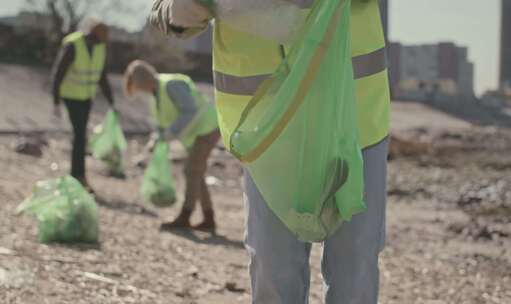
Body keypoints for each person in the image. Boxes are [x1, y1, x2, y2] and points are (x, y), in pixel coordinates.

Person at [150, 0, 390, 303]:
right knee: (273, 266)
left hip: (354, 116)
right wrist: (181, 9)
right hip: (266, 131)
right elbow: (163, 11)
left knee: (354, 264)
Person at [124, 60, 221, 232]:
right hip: (196, 133)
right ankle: (208, 218)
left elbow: (190, 110)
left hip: (207, 127)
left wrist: (170, 133)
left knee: (191, 170)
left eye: (138, 88)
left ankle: (186, 215)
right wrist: (155, 139)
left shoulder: (170, 85)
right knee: (196, 173)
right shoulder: (156, 94)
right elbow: (163, 123)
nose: (140, 92)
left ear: (142, 81)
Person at [51, 19, 116, 192]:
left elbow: (102, 75)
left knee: (81, 136)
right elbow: (58, 72)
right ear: (93, 34)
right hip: (71, 96)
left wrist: (111, 101)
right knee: (80, 136)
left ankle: (78, 175)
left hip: (87, 97)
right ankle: (77, 176)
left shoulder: (100, 47)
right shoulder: (73, 45)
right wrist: (56, 101)